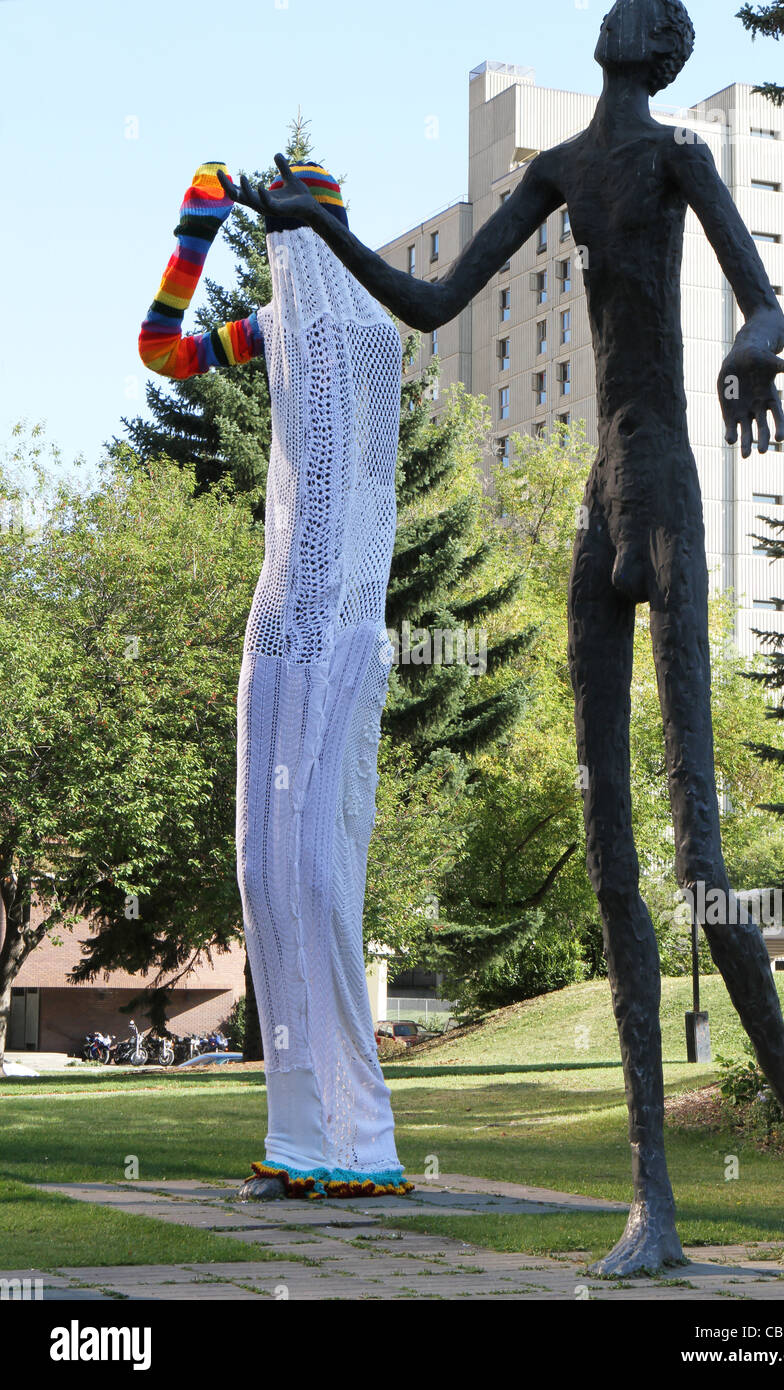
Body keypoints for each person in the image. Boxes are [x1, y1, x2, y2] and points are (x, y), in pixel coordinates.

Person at [219, 0, 784, 1271]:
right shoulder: (559, 170)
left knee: (697, 854)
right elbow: (432, 296)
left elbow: (765, 302)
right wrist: (319, 226)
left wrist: (751, 353)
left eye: (651, 11)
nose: (627, 10)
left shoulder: (681, 156)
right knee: (608, 855)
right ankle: (652, 1207)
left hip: (667, 494)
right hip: (596, 506)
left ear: (659, 50)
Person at [140, 160, 412, 1200]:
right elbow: (161, 350)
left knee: (317, 871)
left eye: (297, 229)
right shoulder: (277, 327)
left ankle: (360, 1138)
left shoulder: (369, 327)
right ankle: (302, 1135)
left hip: (339, 620)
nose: (286, 251)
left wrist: (256, 218)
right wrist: (198, 219)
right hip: (279, 614)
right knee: (264, 864)